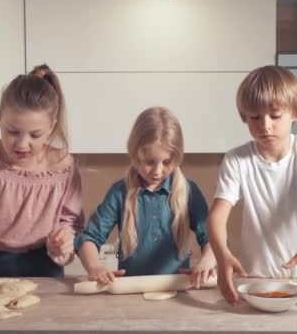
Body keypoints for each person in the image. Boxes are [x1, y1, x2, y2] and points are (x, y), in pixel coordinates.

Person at [207, 65, 297, 304]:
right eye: (254, 117)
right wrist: (222, 254)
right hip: (258, 281)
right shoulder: (236, 159)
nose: (265, 125)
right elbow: (217, 215)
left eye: (275, 116)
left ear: (295, 113)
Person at [0, 64, 84, 278]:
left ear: (51, 127)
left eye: (35, 135)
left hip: (45, 266)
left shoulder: (64, 167)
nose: (22, 144)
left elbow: (72, 225)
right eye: (12, 131)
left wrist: (63, 242)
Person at [76, 107, 216, 287]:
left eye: (166, 162)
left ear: (177, 157)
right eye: (149, 162)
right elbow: (90, 238)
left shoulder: (189, 191)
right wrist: (94, 267)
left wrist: (207, 261)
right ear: (134, 155)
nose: (157, 171)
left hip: (176, 290)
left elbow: (213, 238)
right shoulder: (120, 193)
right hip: (129, 292)